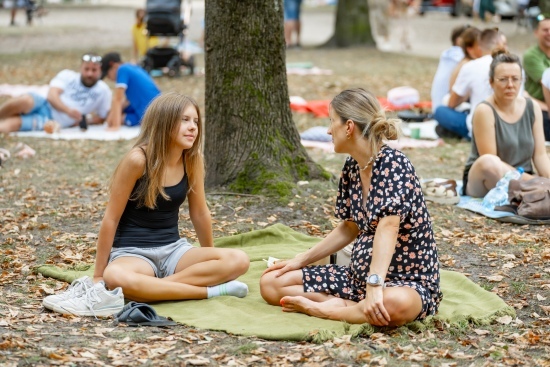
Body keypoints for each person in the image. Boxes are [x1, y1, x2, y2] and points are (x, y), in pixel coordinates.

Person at [44, 93, 250, 316]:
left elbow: (199, 212)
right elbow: (111, 219)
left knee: (238, 260)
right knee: (115, 277)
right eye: (184, 120)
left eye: (196, 121)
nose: (193, 127)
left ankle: (154, 288)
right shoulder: (138, 160)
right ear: (163, 121)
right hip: (134, 254)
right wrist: (98, 276)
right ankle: (209, 291)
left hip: (174, 250)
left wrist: (210, 257)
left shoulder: (192, 159)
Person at [260, 88, 442, 326]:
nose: (327, 130)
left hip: (404, 282)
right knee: (272, 283)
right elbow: (349, 227)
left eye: (331, 121)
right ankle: (352, 307)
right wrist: (300, 260)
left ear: (348, 127)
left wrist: (375, 285)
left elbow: (388, 227)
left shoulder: (394, 164)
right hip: (356, 279)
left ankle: (326, 310)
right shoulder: (352, 166)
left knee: (395, 305)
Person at [463, 50, 550, 197]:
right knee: (489, 162)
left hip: (524, 178)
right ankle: (532, 190)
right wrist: (535, 182)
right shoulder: (485, 110)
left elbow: (540, 155)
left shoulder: (532, 107)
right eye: (503, 79)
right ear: (491, 82)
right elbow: (492, 162)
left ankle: (532, 192)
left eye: (515, 79)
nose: (510, 85)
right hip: (487, 180)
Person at [0, 53, 112, 134]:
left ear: (100, 71)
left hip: (51, 120)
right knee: (24, 101)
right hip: (44, 103)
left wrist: (83, 121)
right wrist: (68, 110)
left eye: (94, 70)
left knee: (10, 125)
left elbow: (102, 117)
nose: (89, 73)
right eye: (86, 69)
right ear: (80, 68)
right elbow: (52, 95)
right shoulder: (68, 75)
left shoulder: (103, 91)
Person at [434, 28, 505, 140]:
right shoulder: (514, 65)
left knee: (440, 111)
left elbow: (452, 102)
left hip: (480, 128)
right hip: (507, 128)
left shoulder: (471, 66)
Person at [100, 52, 161, 131]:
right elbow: (126, 101)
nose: (109, 78)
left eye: (108, 75)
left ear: (113, 66)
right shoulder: (133, 67)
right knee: (117, 110)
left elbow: (117, 99)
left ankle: (117, 123)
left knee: (119, 116)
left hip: (149, 114)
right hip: (157, 106)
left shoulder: (122, 70)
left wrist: (115, 125)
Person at [523, 13, 550, 141]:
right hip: (539, 106)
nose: (549, 33)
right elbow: (547, 82)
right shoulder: (531, 55)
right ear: (536, 32)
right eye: (545, 30)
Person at [430, 24, 469, 112]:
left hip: (436, 105)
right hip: (446, 106)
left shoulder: (447, 53)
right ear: (459, 41)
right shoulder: (461, 57)